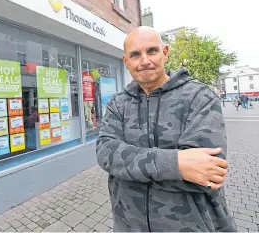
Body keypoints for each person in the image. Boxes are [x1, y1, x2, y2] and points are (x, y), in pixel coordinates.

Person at [96, 26, 236, 232]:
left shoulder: (199, 97)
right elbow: (106, 153)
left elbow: (206, 174)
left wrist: (128, 167)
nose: (144, 61)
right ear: (126, 62)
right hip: (128, 226)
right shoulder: (118, 104)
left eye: (151, 51)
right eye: (135, 54)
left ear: (165, 53)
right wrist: (177, 164)